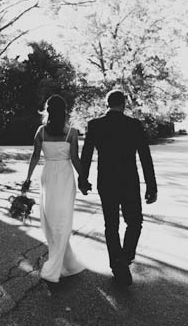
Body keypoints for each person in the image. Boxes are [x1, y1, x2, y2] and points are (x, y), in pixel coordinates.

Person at [79, 90, 157, 286]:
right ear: (124, 104)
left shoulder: (95, 125)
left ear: (107, 104)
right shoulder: (134, 125)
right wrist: (151, 186)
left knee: (111, 225)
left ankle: (117, 263)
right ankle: (124, 258)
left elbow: (86, 154)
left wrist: (83, 179)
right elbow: (145, 157)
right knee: (135, 222)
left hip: (106, 181)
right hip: (129, 181)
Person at [22, 94, 86, 284]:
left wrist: (27, 178)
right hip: (65, 175)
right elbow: (74, 159)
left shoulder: (41, 131)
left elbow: (35, 157)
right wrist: (84, 177)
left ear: (48, 110)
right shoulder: (71, 132)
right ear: (64, 111)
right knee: (63, 218)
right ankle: (66, 263)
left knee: (52, 219)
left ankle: (55, 266)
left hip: (49, 174)